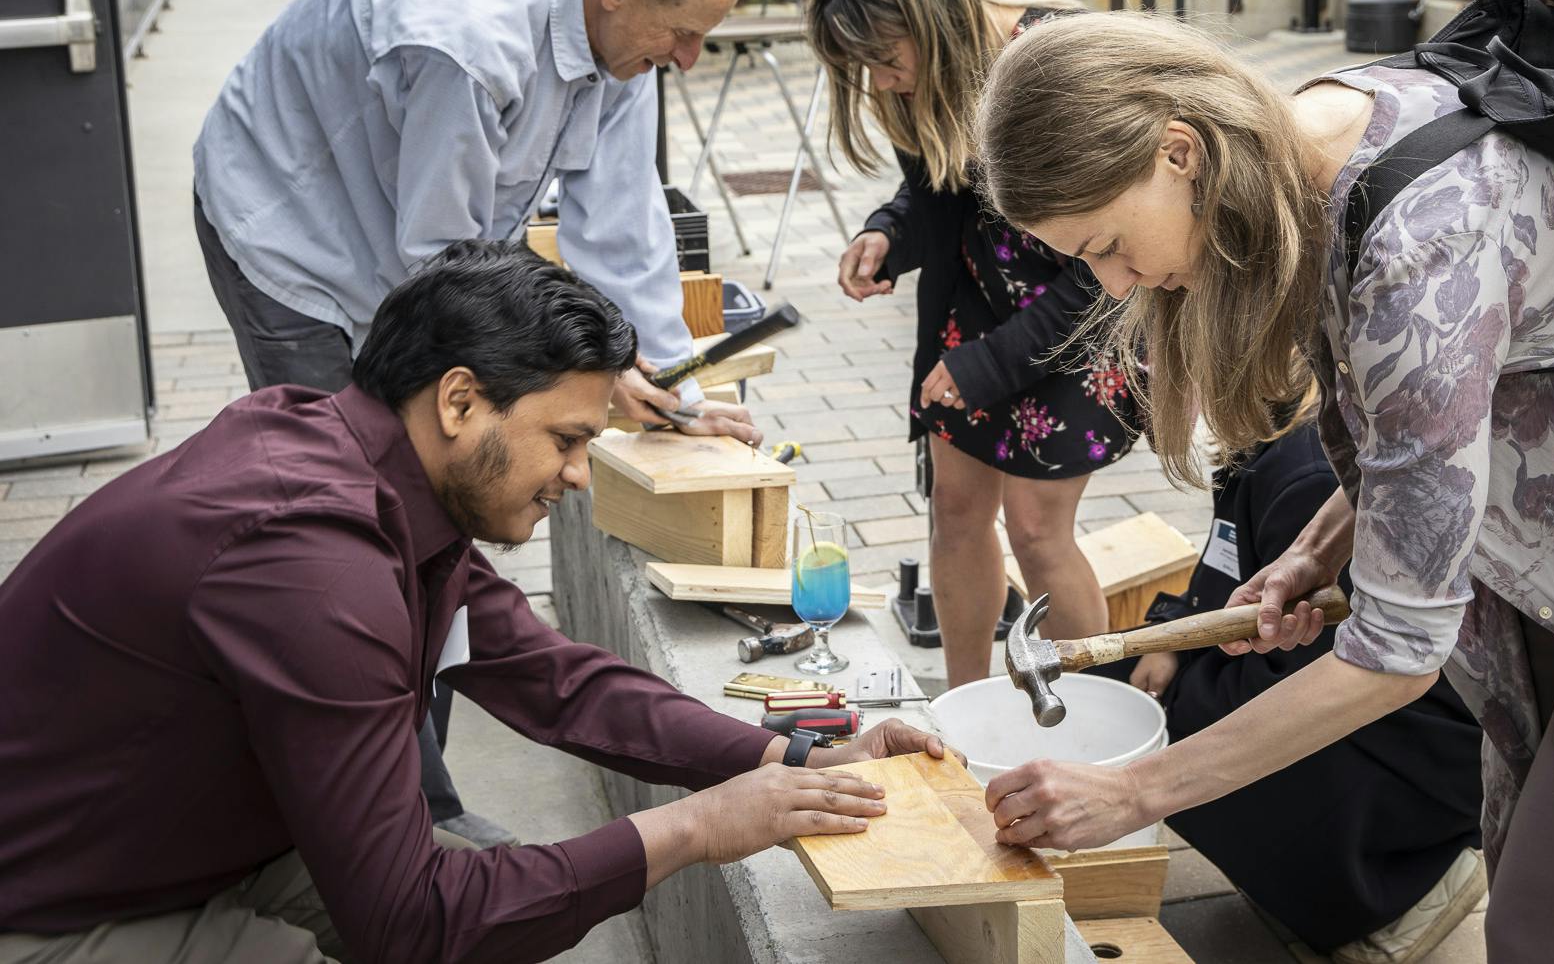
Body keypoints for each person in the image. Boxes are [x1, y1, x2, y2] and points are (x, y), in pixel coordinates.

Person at [969, 12, 1554, 963]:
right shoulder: (1317, 126)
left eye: (1104, 244)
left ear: (1177, 151)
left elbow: (1396, 657)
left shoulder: (1421, 245)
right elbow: (1429, 425)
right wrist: (1315, 548)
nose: (1118, 286)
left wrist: (1132, 792)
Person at [0, 242, 947, 964]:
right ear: (460, 402)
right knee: (463, 915)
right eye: (568, 440)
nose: (579, 477)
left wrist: (800, 753)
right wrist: (695, 828)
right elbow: (408, 921)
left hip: (182, 835)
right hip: (57, 907)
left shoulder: (368, 466)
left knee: (506, 893)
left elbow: (553, 679)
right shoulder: (312, 565)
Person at [192, 0, 761, 845]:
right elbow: (441, 267)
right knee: (363, 514)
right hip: (289, 228)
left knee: (434, 523)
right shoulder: (466, 42)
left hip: (399, 237)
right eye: (683, 32)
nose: (691, 58)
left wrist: (667, 387)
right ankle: (402, 827)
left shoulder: (618, 47)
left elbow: (623, 232)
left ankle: (410, 803)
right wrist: (568, 381)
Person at [804, 0, 1140, 687]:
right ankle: (965, 710)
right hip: (984, 304)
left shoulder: (1057, 61)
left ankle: (1084, 725)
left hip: (1086, 313)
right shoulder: (929, 76)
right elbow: (943, 195)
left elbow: (1111, 261)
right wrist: (889, 234)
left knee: (1035, 529)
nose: (884, 81)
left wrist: (991, 362)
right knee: (954, 511)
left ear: (930, 15)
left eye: (888, 59)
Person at [1115, 419, 1485, 964]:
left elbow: (1338, 678)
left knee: (1182, 744)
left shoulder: (1307, 476)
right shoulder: (1263, 454)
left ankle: (1405, 890)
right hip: (1362, 691)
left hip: (1412, 740)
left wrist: (1144, 779)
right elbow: (1229, 568)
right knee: (1157, 714)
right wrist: (1173, 631)